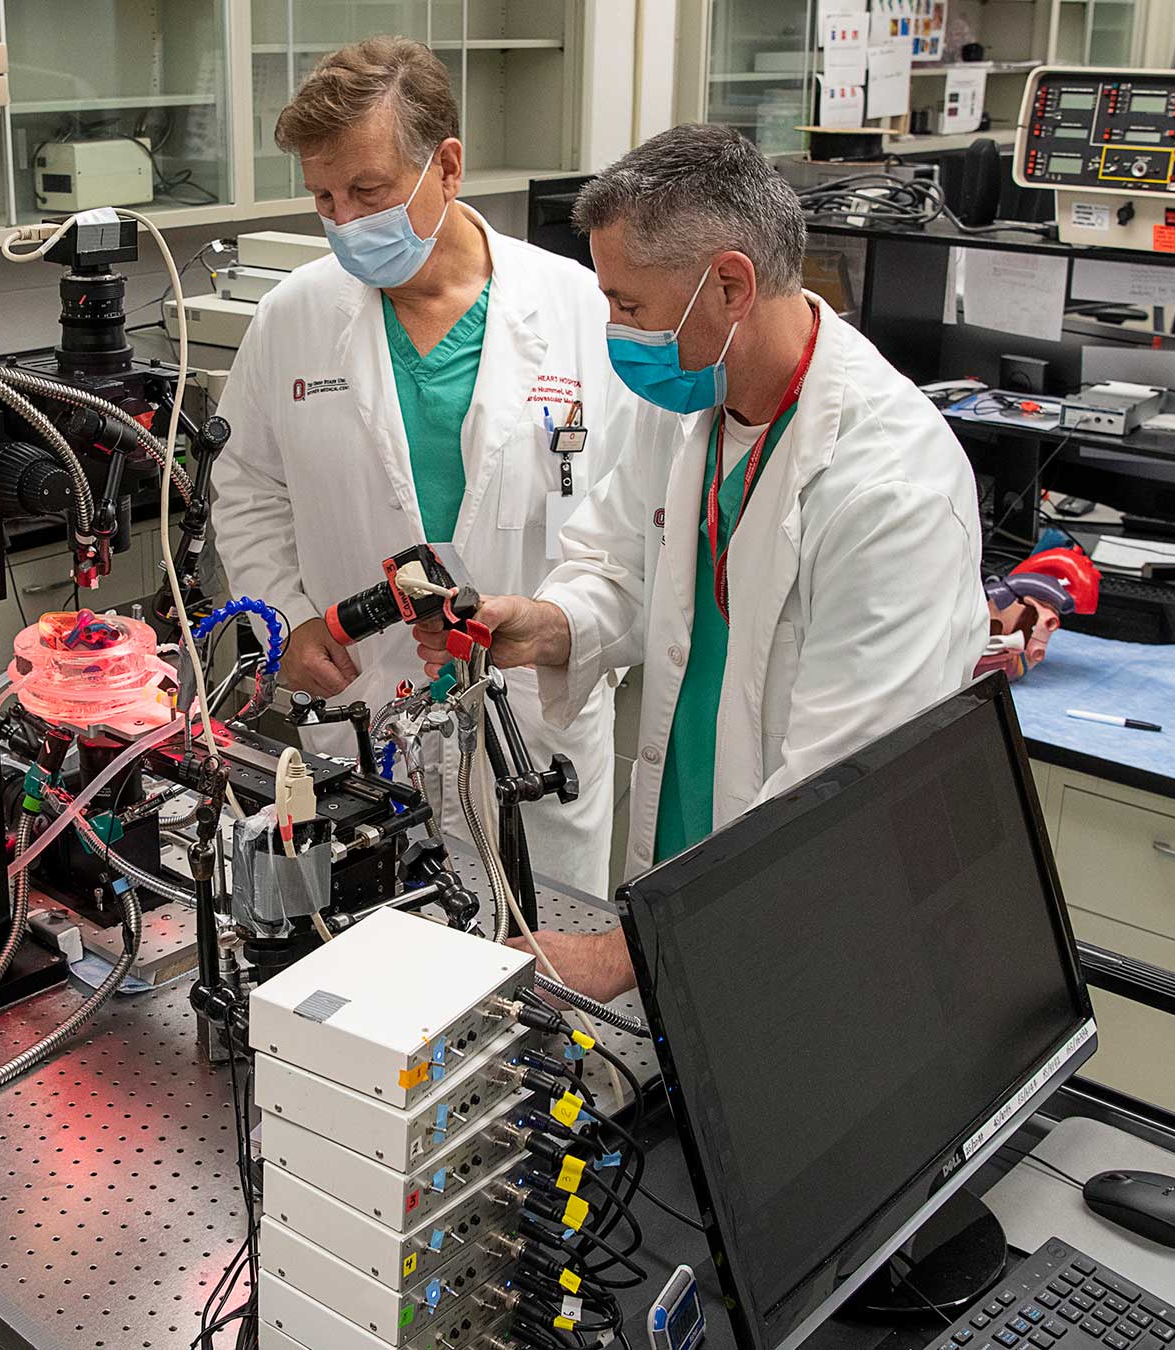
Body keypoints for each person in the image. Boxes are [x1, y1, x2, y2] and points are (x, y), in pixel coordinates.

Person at [412, 124, 987, 997]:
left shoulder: (891, 489)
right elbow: (622, 563)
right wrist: (549, 623)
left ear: (729, 286)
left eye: (629, 306)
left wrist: (624, 956)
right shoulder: (694, 400)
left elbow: (842, 789)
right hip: (691, 864)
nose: (614, 332)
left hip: (822, 910)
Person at [213, 36, 645, 894]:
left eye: (369, 191)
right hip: (364, 702)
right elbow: (247, 488)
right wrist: (288, 624)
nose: (345, 221)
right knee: (371, 939)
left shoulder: (578, 310)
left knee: (542, 950)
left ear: (446, 167)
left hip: (534, 715)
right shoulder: (291, 319)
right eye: (324, 197)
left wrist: (564, 627)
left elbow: (635, 524)